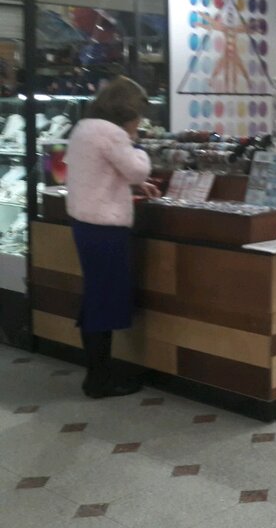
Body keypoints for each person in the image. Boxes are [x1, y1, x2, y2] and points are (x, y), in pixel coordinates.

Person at [64, 77, 160, 398]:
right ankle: (99, 380)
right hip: (105, 226)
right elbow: (137, 169)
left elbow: (99, 172)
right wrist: (138, 148)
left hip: (84, 222)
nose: (139, 122)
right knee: (103, 299)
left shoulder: (84, 128)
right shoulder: (113, 134)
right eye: (138, 116)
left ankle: (98, 373)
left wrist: (131, 182)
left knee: (96, 296)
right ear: (127, 111)